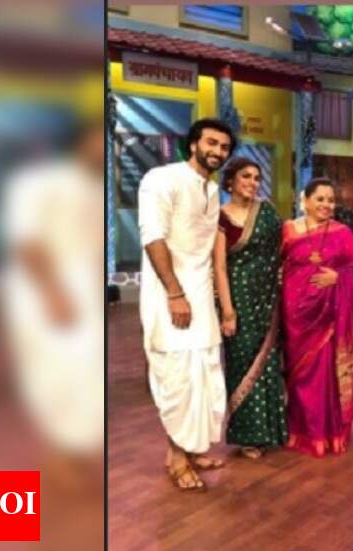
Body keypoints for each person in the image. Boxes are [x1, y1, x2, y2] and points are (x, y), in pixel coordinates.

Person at [138, 118, 234, 491]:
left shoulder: (211, 190)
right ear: (193, 144)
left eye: (224, 147)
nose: (217, 151)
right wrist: (175, 293)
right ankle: (177, 458)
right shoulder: (163, 179)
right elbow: (153, 237)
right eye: (211, 143)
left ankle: (190, 450)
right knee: (178, 377)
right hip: (170, 297)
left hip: (201, 298)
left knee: (204, 375)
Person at [281, 178, 353, 457]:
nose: (326, 205)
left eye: (331, 200)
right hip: (295, 316)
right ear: (305, 200)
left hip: (330, 318)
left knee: (325, 378)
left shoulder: (342, 233)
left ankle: (327, 434)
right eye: (320, 199)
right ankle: (300, 432)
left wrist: (339, 276)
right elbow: (275, 266)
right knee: (299, 377)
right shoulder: (288, 230)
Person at [213, 158, 287, 460]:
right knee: (242, 362)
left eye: (257, 178)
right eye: (246, 176)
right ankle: (247, 435)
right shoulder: (220, 217)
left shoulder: (267, 212)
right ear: (230, 180)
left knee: (268, 363)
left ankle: (271, 430)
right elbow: (219, 267)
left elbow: (284, 248)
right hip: (239, 298)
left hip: (268, 297)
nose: (253, 183)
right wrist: (228, 311)